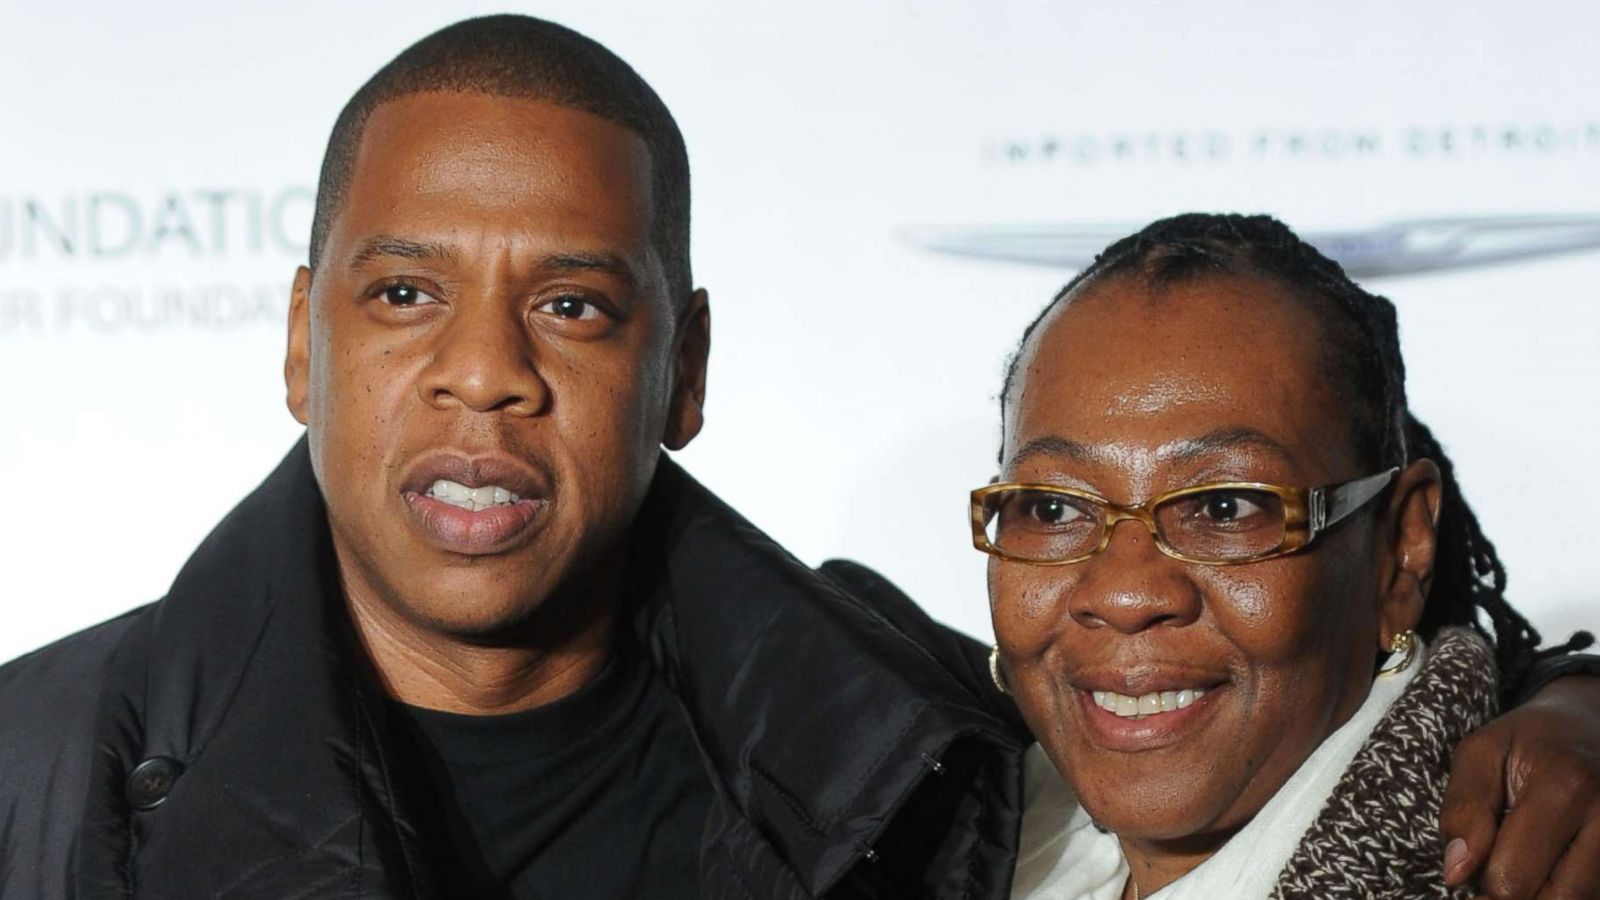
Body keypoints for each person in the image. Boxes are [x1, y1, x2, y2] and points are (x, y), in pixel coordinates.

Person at [0, 16, 1595, 900]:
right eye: (405, 293)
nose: (483, 372)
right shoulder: (40, 774)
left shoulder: (903, 736)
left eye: (572, 303)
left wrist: (1570, 708)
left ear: (684, 367)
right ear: (301, 343)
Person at [981, 213, 1600, 899]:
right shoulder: (939, 808)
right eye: (1052, 508)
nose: (1125, 594)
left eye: (1226, 508)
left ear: (1400, 548)